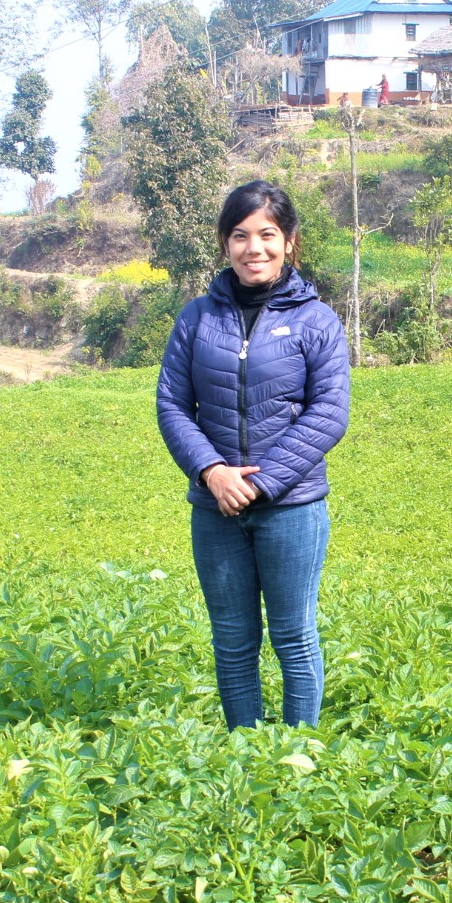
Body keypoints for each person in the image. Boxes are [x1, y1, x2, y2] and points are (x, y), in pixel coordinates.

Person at [155, 181, 351, 729]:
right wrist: (213, 473)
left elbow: (329, 413)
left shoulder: (317, 322)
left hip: (292, 508)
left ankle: (300, 754)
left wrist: (261, 484)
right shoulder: (196, 319)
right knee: (234, 640)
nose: (254, 249)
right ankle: (244, 756)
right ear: (224, 244)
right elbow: (172, 404)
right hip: (215, 509)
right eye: (240, 236)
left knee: (294, 636)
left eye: (267, 235)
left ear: (290, 242)